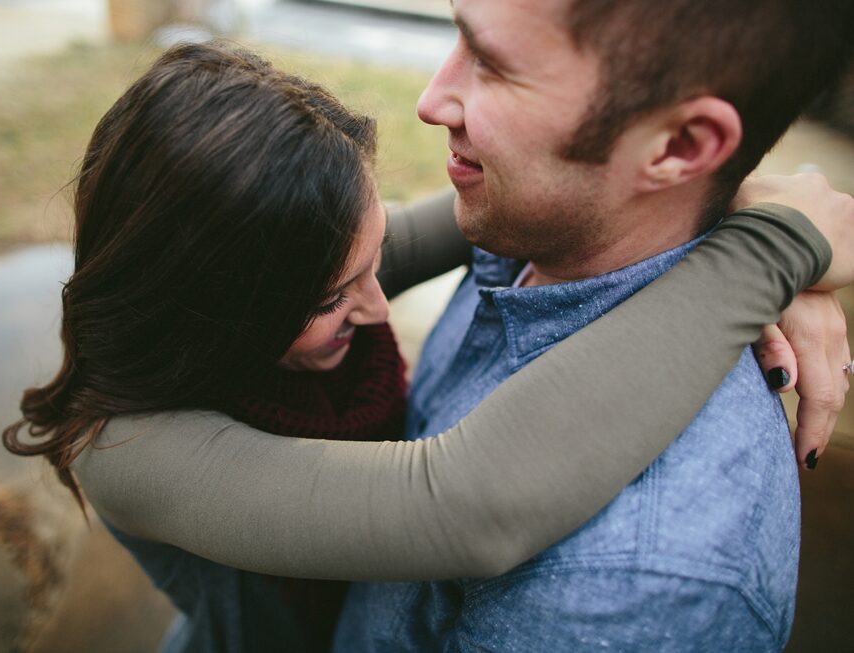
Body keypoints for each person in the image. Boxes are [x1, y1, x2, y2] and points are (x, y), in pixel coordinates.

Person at [6, 43, 853, 652]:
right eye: (334, 296)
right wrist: (769, 254)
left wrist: (730, 199)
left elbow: (583, 197)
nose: (377, 306)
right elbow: (460, 503)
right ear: (218, 311)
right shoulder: (124, 445)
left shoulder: (303, 275)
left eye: (374, 259)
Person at [331, 1, 854, 651]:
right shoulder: (537, 226)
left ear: (680, 147)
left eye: (492, 67)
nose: (432, 100)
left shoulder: (630, 579)